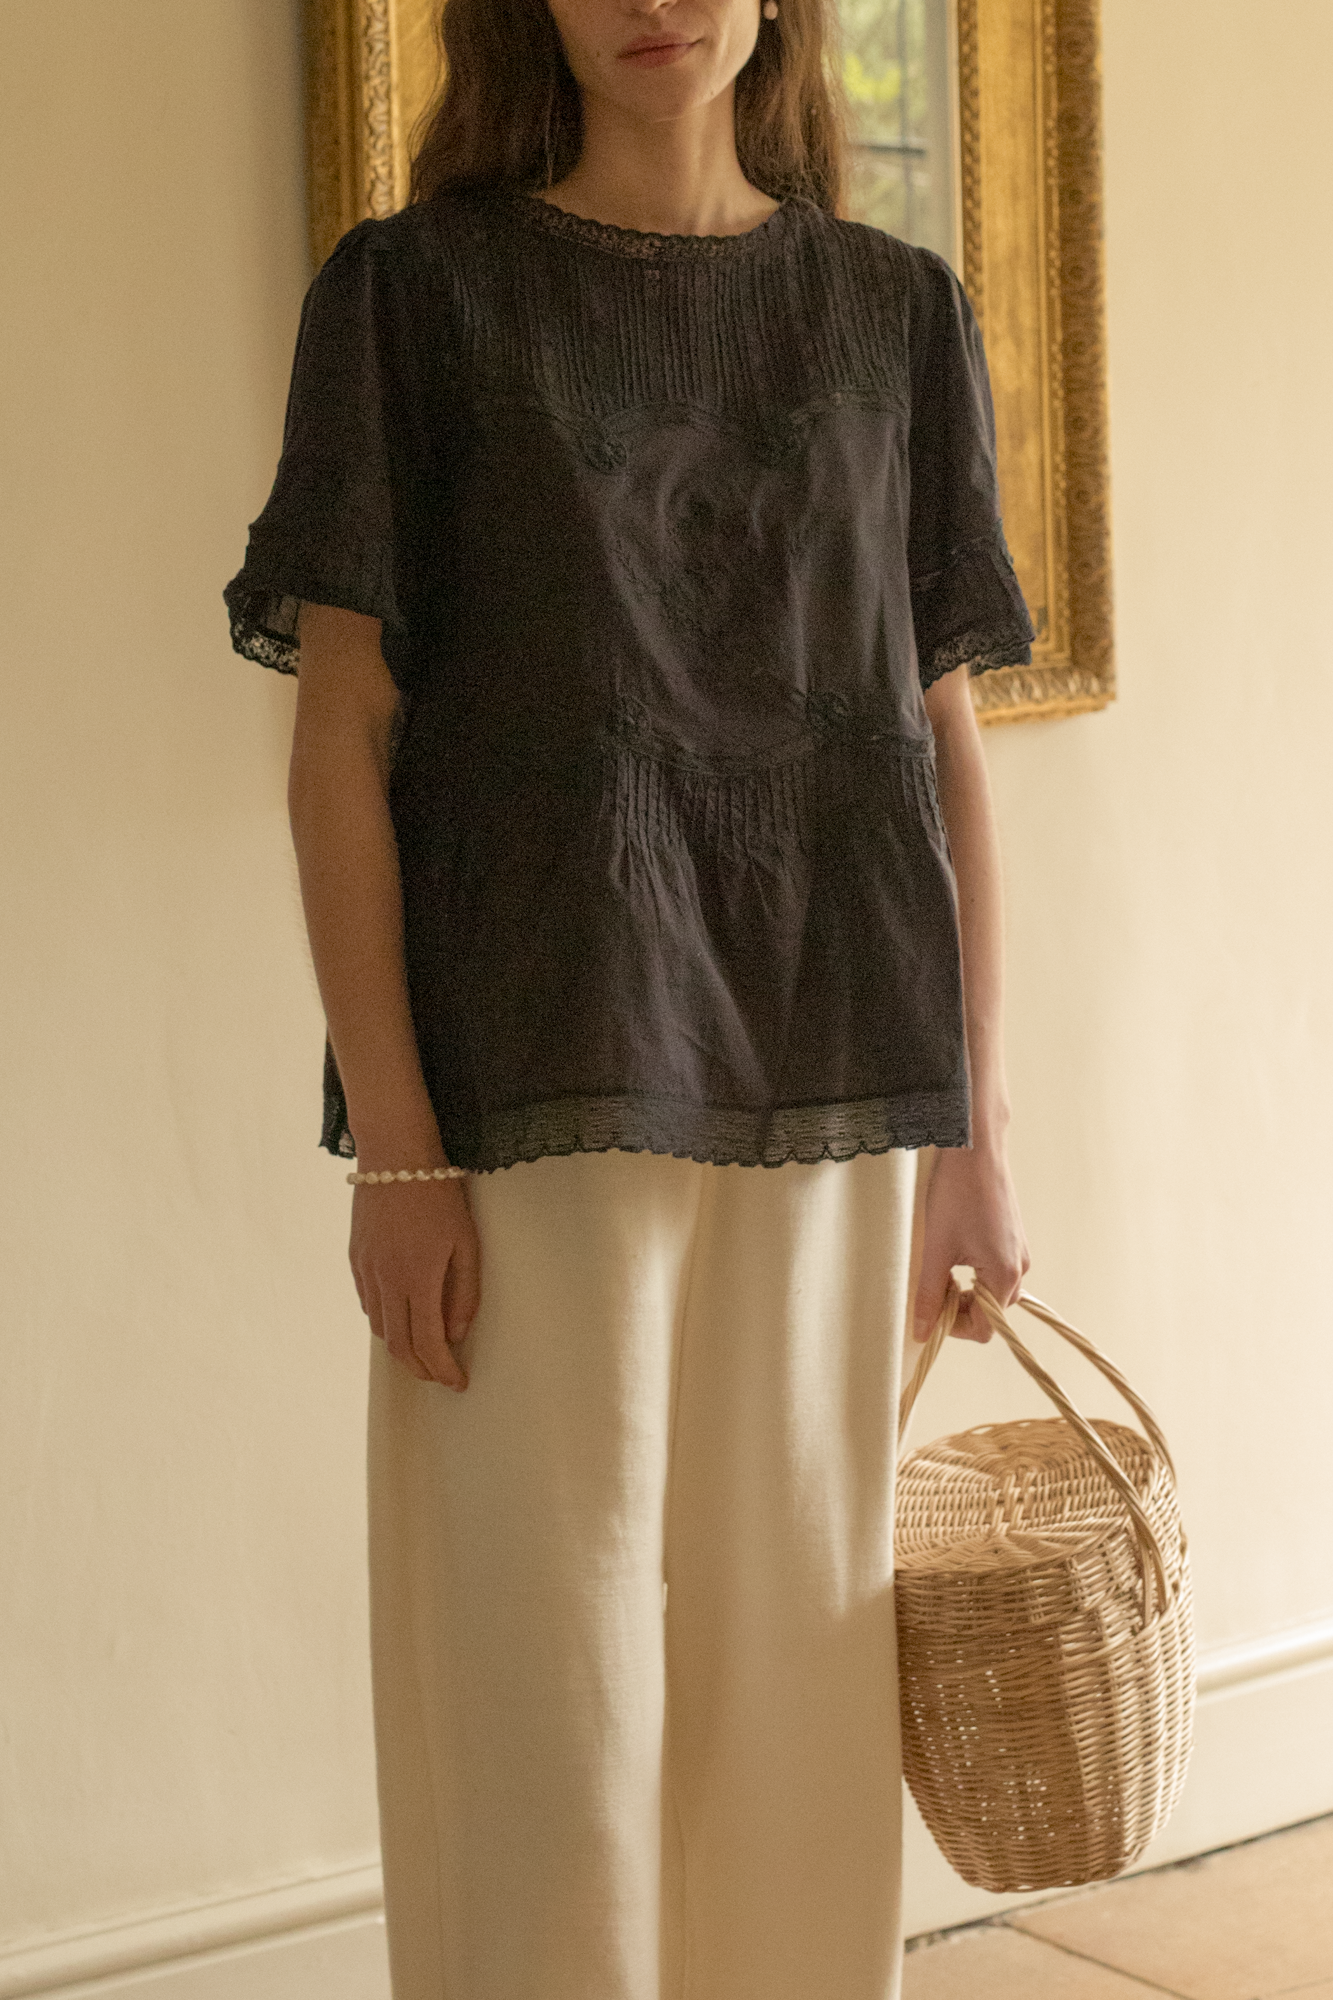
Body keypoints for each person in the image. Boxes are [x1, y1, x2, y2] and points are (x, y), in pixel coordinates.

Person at [225, 0, 1033, 1993]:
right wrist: (393, 1153)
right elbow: (342, 740)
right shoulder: (415, 299)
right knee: (536, 1703)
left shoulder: (893, 316)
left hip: (832, 1077)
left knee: (803, 1675)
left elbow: (943, 749)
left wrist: (976, 1139)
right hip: (527, 1089)